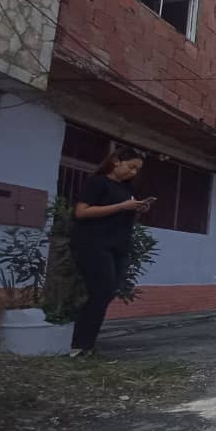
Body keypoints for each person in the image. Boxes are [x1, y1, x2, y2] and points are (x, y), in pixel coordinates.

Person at [70, 147, 152, 357]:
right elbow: (81, 211)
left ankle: (85, 344)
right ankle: (80, 345)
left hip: (119, 247)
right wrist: (121, 206)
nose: (133, 173)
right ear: (116, 161)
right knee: (101, 291)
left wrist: (137, 209)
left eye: (137, 170)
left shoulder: (126, 188)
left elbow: (123, 213)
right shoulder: (97, 182)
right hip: (95, 244)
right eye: (131, 166)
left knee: (106, 292)